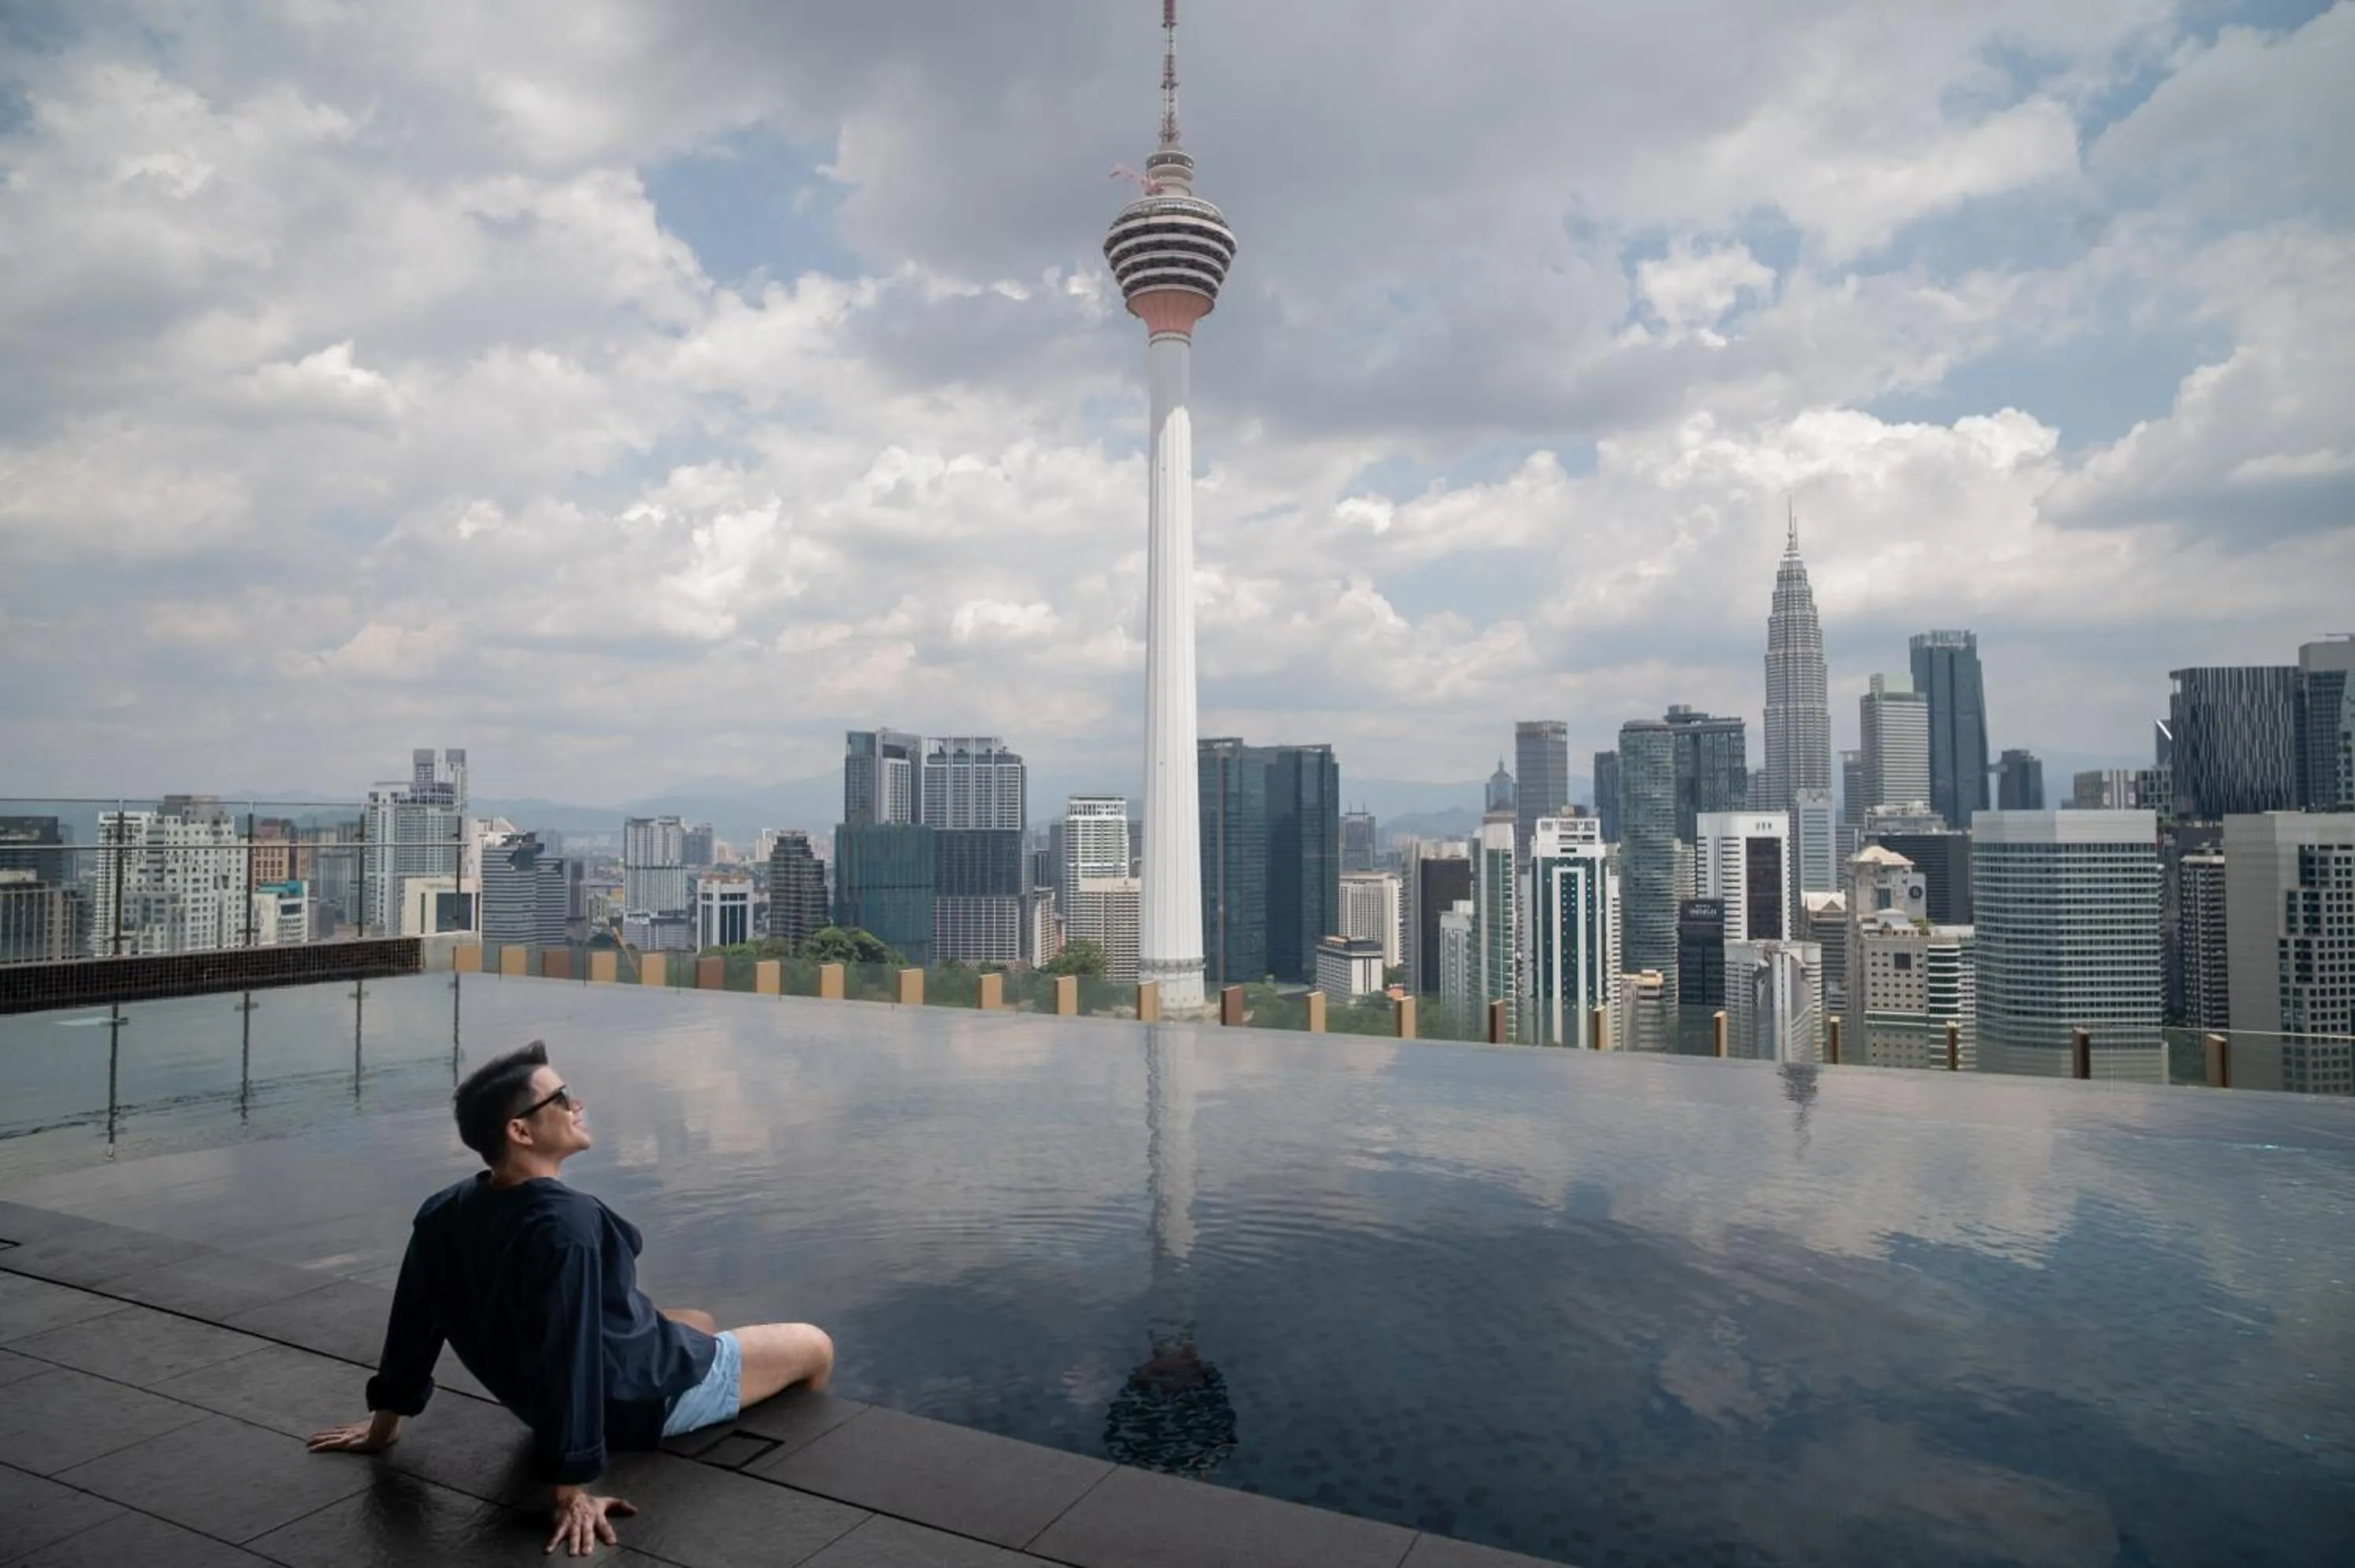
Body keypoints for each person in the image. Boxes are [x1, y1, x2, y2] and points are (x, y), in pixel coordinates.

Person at [307, 1041, 834, 1556]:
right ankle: (814, 1473)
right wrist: (571, 1488)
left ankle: (700, 1363)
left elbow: (415, 1318)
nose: (576, 1104)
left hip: (547, 1391)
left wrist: (385, 1425)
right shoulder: (566, 1226)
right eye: (559, 1099)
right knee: (814, 1345)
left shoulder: (445, 1210)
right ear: (521, 1131)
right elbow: (568, 1352)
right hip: (634, 1406)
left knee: (695, 1317)